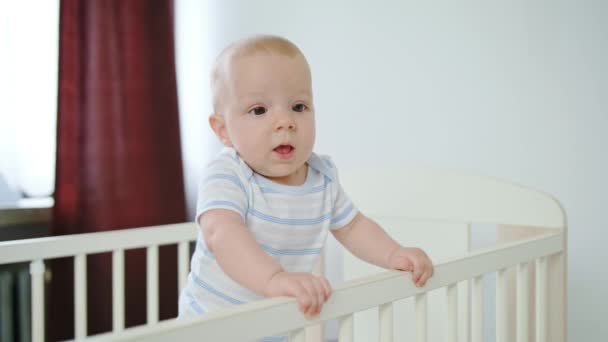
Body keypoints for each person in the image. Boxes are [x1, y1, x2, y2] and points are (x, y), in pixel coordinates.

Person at [178, 35, 434, 325]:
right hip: (211, 324)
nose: (285, 121)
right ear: (222, 130)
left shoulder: (321, 178)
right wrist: (274, 279)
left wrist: (393, 254)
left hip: (275, 322)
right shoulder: (228, 174)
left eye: (298, 107)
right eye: (259, 110)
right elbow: (222, 234)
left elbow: (353, 226)